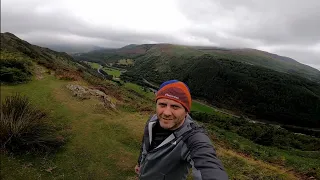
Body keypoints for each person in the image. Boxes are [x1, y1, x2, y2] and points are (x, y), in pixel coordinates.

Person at [135, 80, 228, 180]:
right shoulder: (152, 121)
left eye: (175, 107)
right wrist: (140, 163)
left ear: (186, 111)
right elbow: (145, 146)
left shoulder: (192, 137)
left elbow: (207, 164)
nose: (166, 112)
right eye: (162, 104)